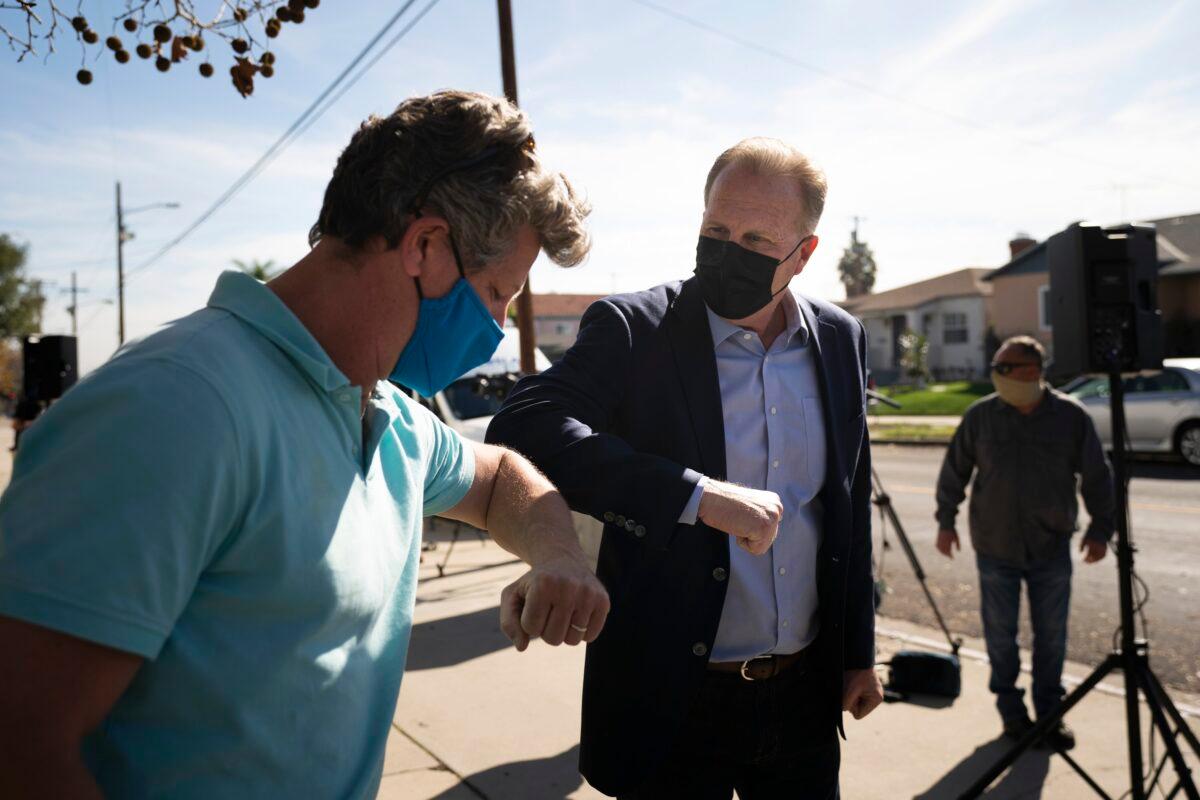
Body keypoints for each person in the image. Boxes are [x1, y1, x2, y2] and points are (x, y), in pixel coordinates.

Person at [0, 90, 608, 798]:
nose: (497, 326)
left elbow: (501, 478)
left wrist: (560, 556)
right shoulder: (176, 407)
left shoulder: (384, 413)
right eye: (498, 292)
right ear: (425, 246)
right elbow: (21, 741)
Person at [487, 137, 881, 799]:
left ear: (803, 253)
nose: (729, 250)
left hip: (804, 698)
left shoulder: (840, 337)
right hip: (673, 698)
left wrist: (858, 654)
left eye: (757, 239)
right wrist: (695, 496)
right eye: (716, 230)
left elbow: (847, 502)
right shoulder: (635, 327)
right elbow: (526, 427)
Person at [935, 335, 1115, 751]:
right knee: (1000, 636)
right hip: (995, 546)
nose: (995, 376)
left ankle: (1050, 716)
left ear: (1032, 372)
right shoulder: (981, 416)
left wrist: (1101, 529)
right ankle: (1013, 716)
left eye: (1004, 368)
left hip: (1050, 548)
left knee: (1052, 638)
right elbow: (954, 473)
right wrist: (946, 522)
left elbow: (1097, 476)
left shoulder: (1071, 417)